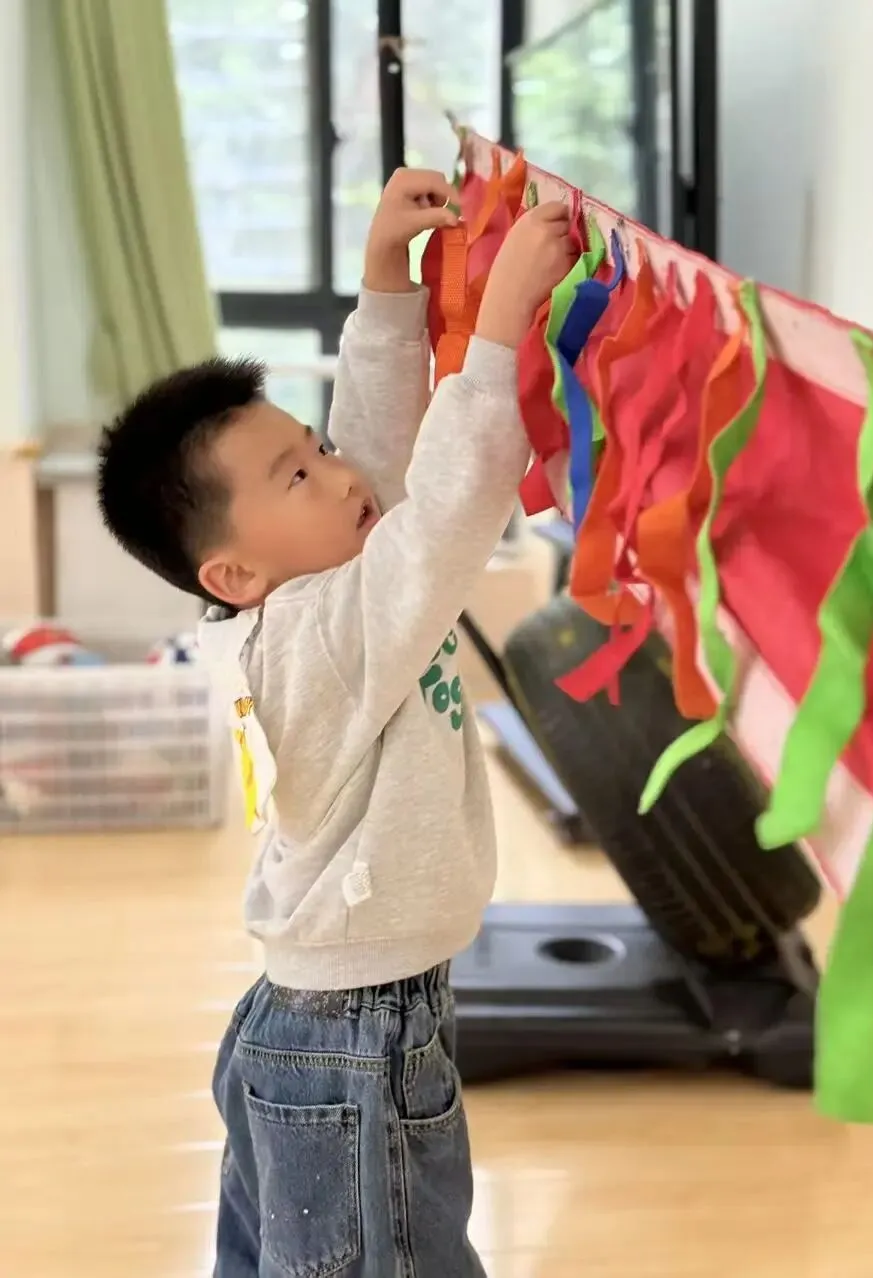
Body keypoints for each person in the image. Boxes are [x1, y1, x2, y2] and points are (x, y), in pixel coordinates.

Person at [97, 168, 575, 1277]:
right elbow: (443, 514)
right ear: (234, 570)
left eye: (311, 446)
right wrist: (498, 333)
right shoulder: (321, 635)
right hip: (359, 1041)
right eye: (295, 477)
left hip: (323, 1024)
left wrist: (385, 284)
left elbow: (375, 456)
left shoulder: (302, 593)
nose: (337, 472)